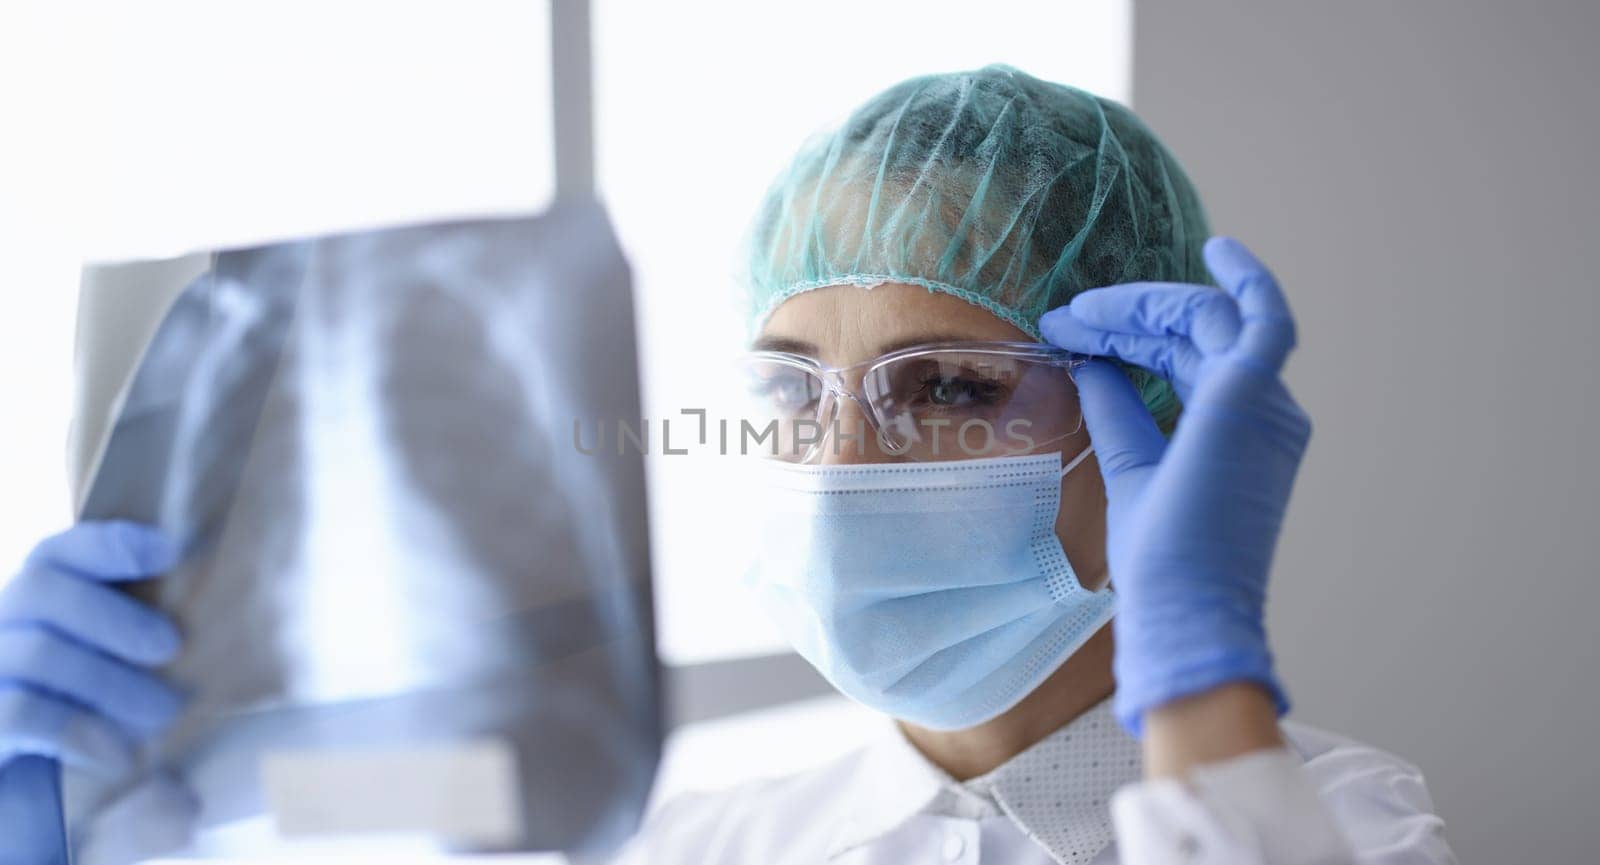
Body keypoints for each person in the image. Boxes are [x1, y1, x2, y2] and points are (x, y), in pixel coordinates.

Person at [0, 65, 1457, 864]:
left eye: (943, 385)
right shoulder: (692, 843)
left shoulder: (1346, 828)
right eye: (788, 388)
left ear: (1148, 419)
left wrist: (1203, 677)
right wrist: (87, 819)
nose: (838, 459)